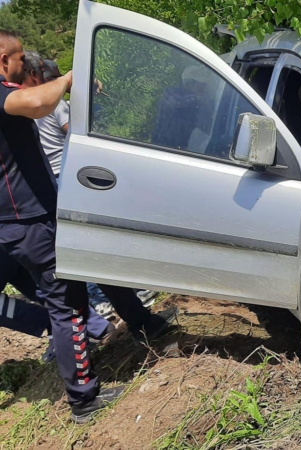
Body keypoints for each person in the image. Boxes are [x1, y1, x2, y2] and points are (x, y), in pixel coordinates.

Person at [0, 31, 172, 423]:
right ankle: (83, 399)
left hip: (27, 218)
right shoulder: (3, 94)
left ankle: (143, 322)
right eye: (20, 59)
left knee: (92, 263)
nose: (25, 67)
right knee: (68, 305)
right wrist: (68, 79)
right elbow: (37, 100)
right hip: (28, 222)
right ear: (3, 59)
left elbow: (39, 107)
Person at [30, 58, 159, 319]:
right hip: (68, 177)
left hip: (48, 182)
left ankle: (102, 300)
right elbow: (78, 136)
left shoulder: (27, 106)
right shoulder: (56, 107)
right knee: (99, 234)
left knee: (76, 241)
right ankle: (130, 290)